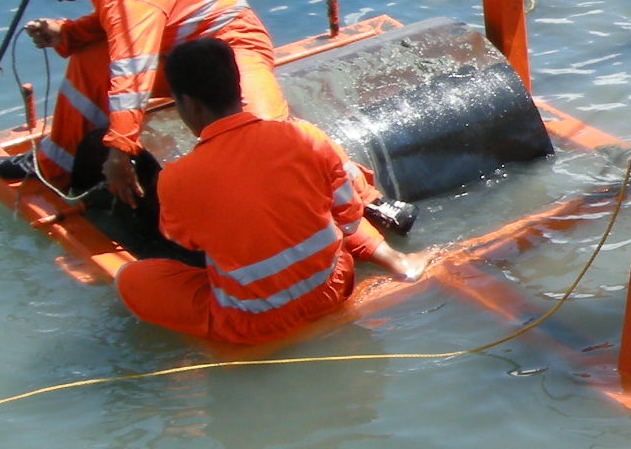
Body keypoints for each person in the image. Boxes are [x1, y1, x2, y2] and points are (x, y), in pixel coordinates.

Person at [112, 38, 421, 344]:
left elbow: (186, 242)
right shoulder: (304, 135)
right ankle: (397, 261)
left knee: (131, 280)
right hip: (333, 289)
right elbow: (350, 214)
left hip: (256, 323)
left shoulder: (176, 179)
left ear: (189, 104)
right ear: (238, 88)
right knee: (328, 214)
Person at [0, 0, 288, 206]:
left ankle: (279, 199)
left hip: (232, 47)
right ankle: (53, 167)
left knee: (262, 134)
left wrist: (120, 152)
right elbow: (123, 19)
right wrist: (68, 34)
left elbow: (131, 73)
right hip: (177, 53)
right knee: (88, 63)